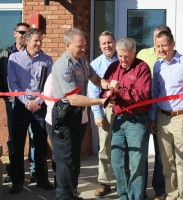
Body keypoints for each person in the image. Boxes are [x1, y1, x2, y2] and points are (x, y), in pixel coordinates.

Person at [51, 27, 117, 200]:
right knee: (65, 162)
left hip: (77, 116)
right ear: (67, 45)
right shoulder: (64, 66)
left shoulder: (82, 60)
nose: (83, 49)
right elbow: (73, 99)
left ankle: (71, 193)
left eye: (85, 46)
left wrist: (108, 85)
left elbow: (95, 79)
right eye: (79, 46)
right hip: (65, 116)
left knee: (74, 159)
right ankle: (63, 196)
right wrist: (101, 102)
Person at [102, 37, 152, 200]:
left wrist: (119, 92)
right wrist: (109, 96)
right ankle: (124, 196)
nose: (123, 60)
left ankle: (136, 197)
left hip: (137, 121)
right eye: (120, 55)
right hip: (118, 119)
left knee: (136, 163)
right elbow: (105, 89)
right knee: (117, 161)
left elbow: (142, 94)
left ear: (134, 53)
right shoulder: (113, 67)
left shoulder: (142, 68)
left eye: (126, 56)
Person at [7, 28, 53, 194]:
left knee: (41, 146)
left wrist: (38, 101)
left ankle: (42, 180)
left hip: (40, 107)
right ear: (27, 41)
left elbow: (49, 85)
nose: (39, 43)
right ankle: (17, 182)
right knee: (17, 146)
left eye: (40, 40)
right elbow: (13, 84)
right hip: (21, 106)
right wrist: (27, 102)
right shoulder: (14, 58)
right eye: (36, 41)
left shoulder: (47, 60)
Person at [150, 31, 183, 200]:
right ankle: (171, 195)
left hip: (180, 117)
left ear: (173, 44)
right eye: (158, 46)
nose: (161, 49)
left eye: (164, 45)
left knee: (182, 161)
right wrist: (153, 117)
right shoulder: (157, 65)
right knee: (167, 163)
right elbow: (155, 92)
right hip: (162, 118)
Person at [136, 25, 171, 200]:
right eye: (156, 40)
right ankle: (139, 191)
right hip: (142, 111)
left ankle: (159, 189)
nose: (160, 46)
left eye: (163, 42)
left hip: (161, 111)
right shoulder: (142, 54)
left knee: (160, 154)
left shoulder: (171, 60)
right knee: (140, 153)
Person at [0, 22, 36, 183]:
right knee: (14, 138)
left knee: (34, 136)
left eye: (27, 33)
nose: (24, 35)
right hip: (13, 102)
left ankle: (34, 170)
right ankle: (14, 171)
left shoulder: (36, 53)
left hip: (33, 103)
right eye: (22, 32)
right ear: (15, 33)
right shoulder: (5, 54)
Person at [88, 31, 118, 197]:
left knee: (123, 146)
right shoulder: (95, 64)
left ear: (115, 42)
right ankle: (104, 182)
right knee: (104, 146)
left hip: (123, 109)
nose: (107, 45)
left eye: (110, 42)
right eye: (104, 43)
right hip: (104, 109)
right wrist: (97, 114)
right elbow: (93, 90)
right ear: (100, 46)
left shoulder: (123, 58)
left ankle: (122, 182)